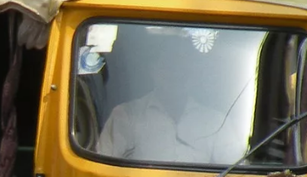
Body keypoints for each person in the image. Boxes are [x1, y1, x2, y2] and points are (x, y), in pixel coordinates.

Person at [95, 47, 229, 164]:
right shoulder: (126, 115)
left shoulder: (216, 121)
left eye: (183, 68)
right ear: (153, 70)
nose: (177, 74)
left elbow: (236, 172)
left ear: (193, 73)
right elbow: (103, 166)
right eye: (169, 67)